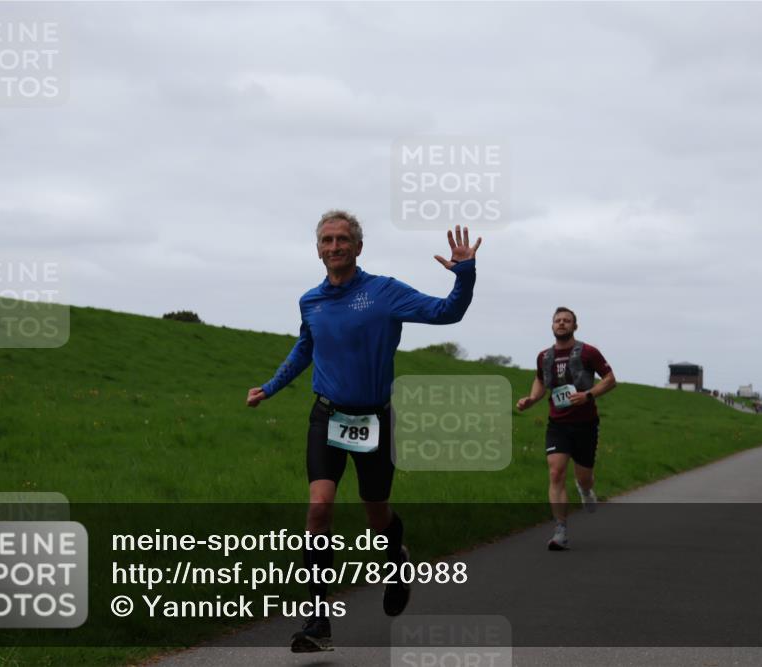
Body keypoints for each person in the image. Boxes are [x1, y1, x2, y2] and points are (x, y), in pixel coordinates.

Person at [247, 211, 481, 652]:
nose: (334, 247)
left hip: (373, 419)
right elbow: (305, 348)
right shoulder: (311, 301)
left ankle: (396, 562)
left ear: (358, 247)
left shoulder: (385, 292)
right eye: (326, 240)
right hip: (327, 416)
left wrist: (464, 273)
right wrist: (271, 388)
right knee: (319, 508)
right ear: (318, 248)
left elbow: (448, 313)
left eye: (342, 239)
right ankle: (318, 619)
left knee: (377, 517)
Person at [516, 307, 617, 550]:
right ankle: (560, 530)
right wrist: (531, 399)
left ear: (575, 326)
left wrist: (588, 395)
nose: (561, 324)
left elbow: (610, 379)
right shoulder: (544, 356)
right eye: (557, 321)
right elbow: (540, 380)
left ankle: (585, 490)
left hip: (585, 424)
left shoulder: (588, 352)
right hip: (558, 424)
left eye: (566, 321)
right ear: (552, 326)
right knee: (555, 473)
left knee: (584, 478)